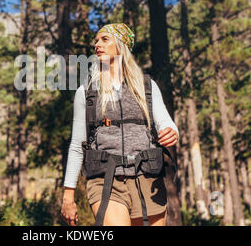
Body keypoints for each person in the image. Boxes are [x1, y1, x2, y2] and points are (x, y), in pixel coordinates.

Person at [61, 23, 179, 226]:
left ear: (122, 45)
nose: (97, 44)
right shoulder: (87, 92)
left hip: (148, 177)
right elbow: (76, 146)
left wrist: (172, 132)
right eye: (96, 41)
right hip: (106, 178)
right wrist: (68, 196)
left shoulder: (147, 86)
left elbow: (166, 123)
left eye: (105, 39)